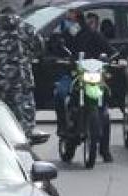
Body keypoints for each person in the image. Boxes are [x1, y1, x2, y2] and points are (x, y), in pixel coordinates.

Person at [50, 9, 113, 161]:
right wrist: (58, 52)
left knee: (104, 110)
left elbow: (109, 50)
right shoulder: (69, 32)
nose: (69, 17)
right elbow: (57, 45)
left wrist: (113, 58)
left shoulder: (93, 34)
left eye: (71, 14)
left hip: (93, 76)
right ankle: (63, 127)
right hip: (72, 73)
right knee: (60, 94)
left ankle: (105, 150)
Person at [0, 6, 43, 131]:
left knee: (2, 112)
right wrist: (27, 58)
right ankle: (26, 136)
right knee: (25, 113)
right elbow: (40, 48)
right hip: (23, 78)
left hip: (1, 78)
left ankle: (5, 136)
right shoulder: (28, 28)